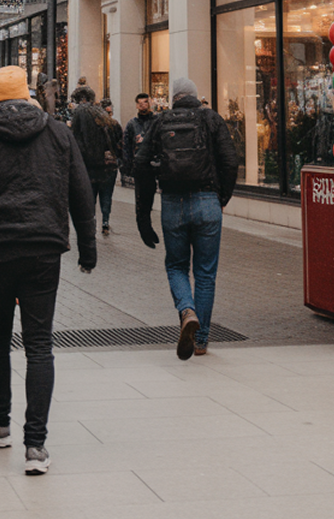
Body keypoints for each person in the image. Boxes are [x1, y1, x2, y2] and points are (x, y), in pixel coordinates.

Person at [0, 65, 96, 476]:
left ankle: (0, 423)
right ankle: (37, 446)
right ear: (27, 95)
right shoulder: (58, 132)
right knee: (40, 344)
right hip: (43, 248)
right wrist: (88, 246)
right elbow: (82, 190)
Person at [133, 76, 238, 360]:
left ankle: (186, 310)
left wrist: (143, 214)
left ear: (173, 98)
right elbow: (230, 160)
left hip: (172, 203)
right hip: (207, 201)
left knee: (177, 266)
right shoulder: (211, 119)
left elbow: (140, 164)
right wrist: (222, 198)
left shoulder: (160, 121)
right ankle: (201, 341)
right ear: (195, 95)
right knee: (205, 273)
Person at [69, 84, 122, 236]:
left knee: (90, 198)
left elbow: (78, 140)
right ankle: (105, 221)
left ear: (82, 99)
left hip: (91, 165)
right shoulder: (102, 114)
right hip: (108, 164)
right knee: (106, 195)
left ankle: (90, 225)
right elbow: (117, 133)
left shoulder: (80, 112)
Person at [121, 92, 155, 190]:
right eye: (140, 103)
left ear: (149, 103)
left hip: (153, 166)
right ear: (137, 105)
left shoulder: (156, 121)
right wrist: (128, 166)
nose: (142, 105)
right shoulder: (132, 124)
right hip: (139, 167)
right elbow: (126, 145)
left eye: (145, 102)